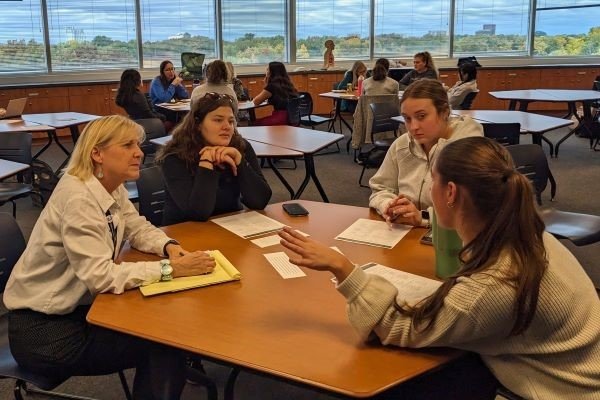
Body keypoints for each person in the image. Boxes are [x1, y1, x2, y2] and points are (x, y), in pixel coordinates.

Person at [278, 136, 600, 400]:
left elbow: (398, 328)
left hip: (556, 391)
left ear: (450, 193)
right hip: (572, 370)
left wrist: (342, 267)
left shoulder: (496, 284)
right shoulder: (527, 233)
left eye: (432, 181)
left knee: (387, 381)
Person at [3, 115, 217, 400]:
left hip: (75, 309)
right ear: (97, 153)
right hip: (44, 332)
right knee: (164, 342)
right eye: (128, 145)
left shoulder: (105, 182)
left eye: (138, 145)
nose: (139, 152)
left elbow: (135, 225)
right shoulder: (79, 198)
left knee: (160, 326)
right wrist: (172, 269)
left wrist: (167, 246)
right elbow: (101, 277)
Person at [369, 79, 483, 228]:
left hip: (453, 237)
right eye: (407, 118)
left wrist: (423, 217)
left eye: (421, 116)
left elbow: (474, 207)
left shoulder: (467, 148)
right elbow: (380, 187)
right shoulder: (401, 145)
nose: (413, 127)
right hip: (406, 232)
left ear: (444, 112)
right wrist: (389, 205)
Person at [155, 92, 272, 226]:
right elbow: (198, 213)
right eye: (218, 120)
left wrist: (240, 163)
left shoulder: (240, 147)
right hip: (186, 232)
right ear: (198, 124)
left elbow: (260, 201)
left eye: (231, 121)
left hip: (232, 227)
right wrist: (206, 162)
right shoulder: (175, 157)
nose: (227, 127)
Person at [252, 61, 298, 126]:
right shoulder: (289, 85)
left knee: (254, 123)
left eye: (268, 69)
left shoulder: (272, 86)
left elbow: (256, 102)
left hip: (281, 118)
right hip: (293, 118)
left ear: (271, 72)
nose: (266, 71)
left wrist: (266, 82)